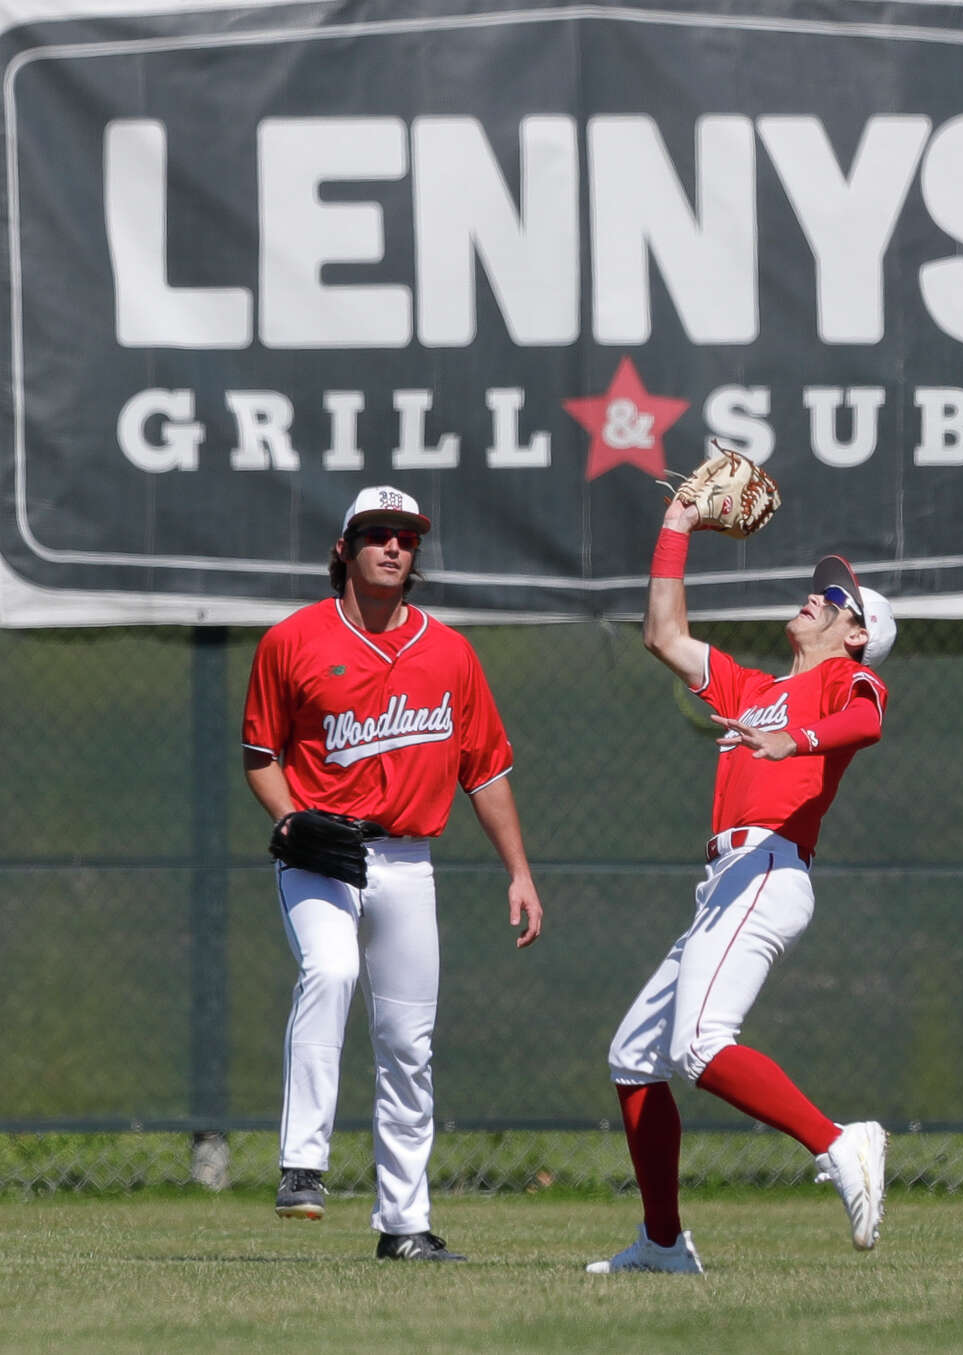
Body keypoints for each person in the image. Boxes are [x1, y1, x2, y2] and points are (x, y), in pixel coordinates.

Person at [586, 492, 896, 1275]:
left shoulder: (841, 682)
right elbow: (663, 634)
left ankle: (839, 1142)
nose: (817, 597)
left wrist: (793, 739)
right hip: (725, 878)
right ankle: (662, 1242)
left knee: (697, 1042)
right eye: (820, 588)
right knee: (633, 1055)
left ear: (855, 633)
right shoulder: (752, 686)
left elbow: (868, 722)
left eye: (835, 599)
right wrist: (678, 523)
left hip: (770, 863)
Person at [242, 485, 543, 1263]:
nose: (393, 546)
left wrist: (519, 870)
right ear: (343, 548)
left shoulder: (450, 651)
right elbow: (260, 754)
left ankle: (404, 1224)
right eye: (375, 533)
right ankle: (303, 1162)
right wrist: (287, 819)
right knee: (331, 968)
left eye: (406, 536)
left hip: (408, 859)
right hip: (321, 853)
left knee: (408, 1044)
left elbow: (487, 772)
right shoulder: (292, 641)